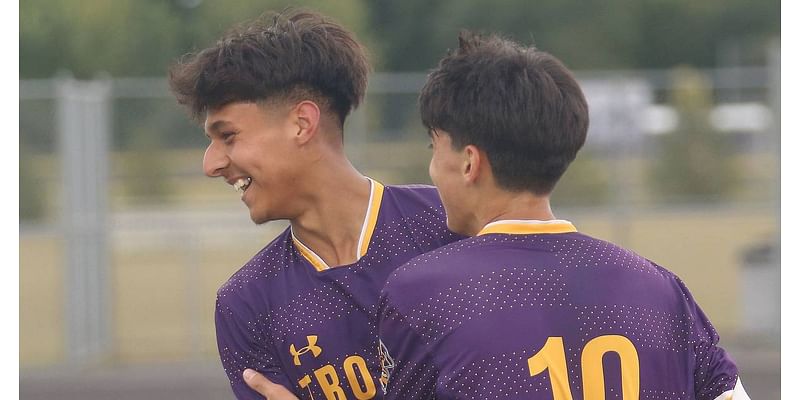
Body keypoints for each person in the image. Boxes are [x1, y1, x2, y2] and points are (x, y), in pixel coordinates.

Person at [377, 31, 751, 399]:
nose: (431, 166)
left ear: (469, 162)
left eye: (434, 147)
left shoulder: (422, 293)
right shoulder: (661, 291)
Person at [168, 9, 462, 400]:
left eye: (228, 136)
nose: (211, 163)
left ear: (302, 124)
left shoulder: (449, 227)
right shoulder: (246, 305)